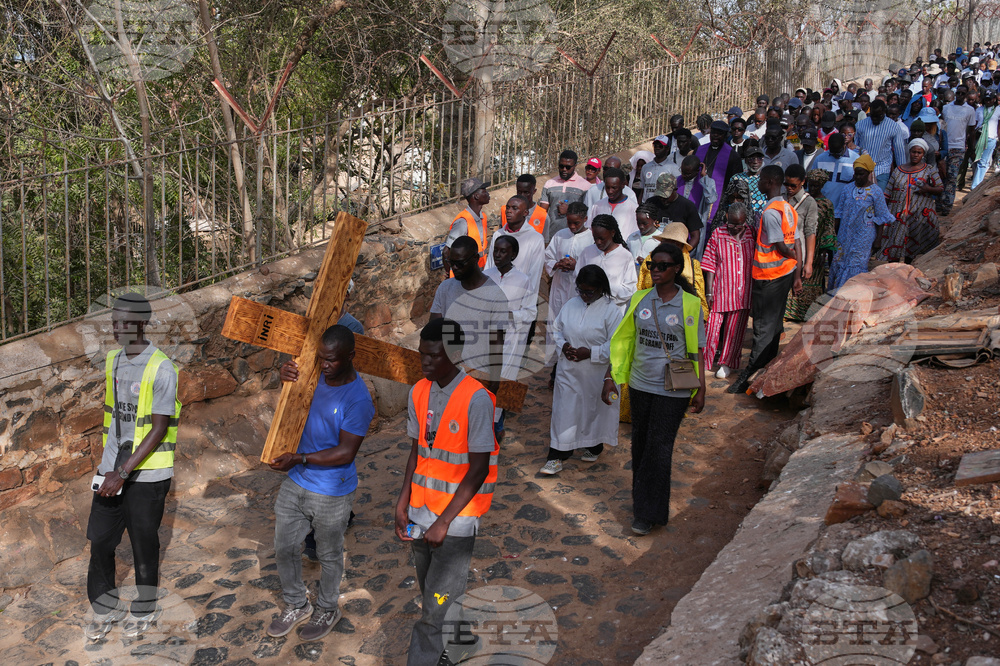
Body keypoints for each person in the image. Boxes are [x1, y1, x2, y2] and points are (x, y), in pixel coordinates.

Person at [395, 318, 499, 666]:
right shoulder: (418, 391)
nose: (425, 362)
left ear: (455, 355)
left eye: (434, 356)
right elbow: (417, 452)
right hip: (420, 513)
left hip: (455, 522)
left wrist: (444, 522)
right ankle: (462, 641)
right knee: (437, 595)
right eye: (422, 354)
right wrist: (402, 502)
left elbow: (478, 469)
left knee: (432, 612)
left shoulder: (476, 399)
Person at [266, 325, 375, 641]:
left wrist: (299, 458)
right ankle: (297, 604)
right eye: (321, 358)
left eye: (331, 360)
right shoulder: (314, 374)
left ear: (350, 356)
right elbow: (292, 399)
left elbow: (345, 452)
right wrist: (285, 377)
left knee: (328, 555)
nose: (324, 365)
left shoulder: (358, 399)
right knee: (284, 547)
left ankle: (328, 608)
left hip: (331, 489)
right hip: (297, 480)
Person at [86, 293, 180, 641]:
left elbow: (158, 428)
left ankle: (145, 608)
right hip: (111, 468)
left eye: (124, 322)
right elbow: (115, 417)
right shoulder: (113, 360)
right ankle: (104, 609)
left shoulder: (161, 368)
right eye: (113, 321)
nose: (116, 328)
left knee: (143, 545)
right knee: (100, 541)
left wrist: (123, 473)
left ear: (142, 323)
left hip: (147, 473)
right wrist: (109, 468)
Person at [606, 241, 705, 535]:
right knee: (640, 445)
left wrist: (701, 388)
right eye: (652, 265)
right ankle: (643, 504)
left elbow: (697, 349)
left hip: (674, 388)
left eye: (663, 266)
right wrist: (612, 375)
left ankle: (648, 513)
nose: (656, 270)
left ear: (677, 269)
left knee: (659, 449)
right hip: (640, 384)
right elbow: (626, 341)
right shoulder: (639, 299)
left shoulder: (690, 304)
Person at [541, 265, 623, 475]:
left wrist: (591, 353)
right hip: (568, 370)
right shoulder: (571, 304)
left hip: (596, 373)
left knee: (592, 411)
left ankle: (594, 445)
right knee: (564, 411)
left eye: (589, 292)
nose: (584, 296)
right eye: (581, 290)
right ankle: (557, 455)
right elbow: (557, 329)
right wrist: (564, 346)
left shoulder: (611, 311)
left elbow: (616, 344)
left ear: (601, 289)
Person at [727, 165, 800, 394]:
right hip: (784, 274)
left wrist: (792, 257)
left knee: (762, 328)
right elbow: (796, 240)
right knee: (774, 326)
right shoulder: (788, 208)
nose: (757, 183)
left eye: (761, 180)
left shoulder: (770, 213)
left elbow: (782, 246)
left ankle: (749, 376)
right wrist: (796, 267)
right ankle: (766, 371)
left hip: (769, 277)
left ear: (769, 182)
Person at [430, 236, 509, 387]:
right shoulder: (445, 288)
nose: (454, 268)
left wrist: (494, 382)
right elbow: (433, 331)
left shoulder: (495, 296)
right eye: (451, 262)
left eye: (460, 263)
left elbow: (497, 344)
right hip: (447, 374)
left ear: (475, 259)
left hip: (477, 377)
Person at [701, 203, 754, 378]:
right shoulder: (718, 234)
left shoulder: (752, 233)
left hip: (743, 292)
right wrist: (709, 292)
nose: (735, 228)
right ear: (726, 217)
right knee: (711, 328)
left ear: (745, 221)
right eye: (731, 223)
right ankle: (705, 361)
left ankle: (727, 363)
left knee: (735, 331)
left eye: (739, 224)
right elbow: (710, 264)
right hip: (720, 291)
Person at [828, 155, 896, 292]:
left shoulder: (876, 192)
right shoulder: (847, 189)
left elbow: (881, 217)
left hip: (864, 235)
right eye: (856, 174)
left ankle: (853, 293)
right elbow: (839, 212)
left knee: (856, 264)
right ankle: (836, 293)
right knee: (840, 260)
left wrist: (878, 240)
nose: (858, 177)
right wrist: (834, 233)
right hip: (844, 234)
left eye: (861, 174)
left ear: (869, 173)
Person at [878, 138, 944, 263]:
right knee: (895, 244)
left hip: (918, 215)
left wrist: (927, 188)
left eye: (919, 153)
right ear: (910, 152)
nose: (916, 155)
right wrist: (883, 213)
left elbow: (940, 188)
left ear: (923, 154)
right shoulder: (898, 171)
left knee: (913, 246)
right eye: (914, 152)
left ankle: (908, 269)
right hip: (898, 215)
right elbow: (887, 193)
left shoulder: (929, 170)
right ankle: (894, 270)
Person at [544, 202, 593, 369]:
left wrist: (576, 266)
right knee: (555, 322)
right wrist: (557, 264)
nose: (572, 226)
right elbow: (548, 256)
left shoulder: (591, 239)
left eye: (576, 223)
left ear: (585, 219)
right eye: (569, 222)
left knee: (573, 324)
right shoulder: (560, 235)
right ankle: (553, 361)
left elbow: (593, 265)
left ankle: (571, 357)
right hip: (559, 286)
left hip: (578, 291)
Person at [784, 169, 838, 321]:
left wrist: (824, 251)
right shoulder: (800, 200)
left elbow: (828, 227)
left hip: (817, 247)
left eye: (816, 186)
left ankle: (807, 313)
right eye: (811, 185)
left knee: (811, 278)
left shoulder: (826, 204)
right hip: (799, 244)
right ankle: (790, 312)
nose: (813, 188)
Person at [576, 214, 638, 308]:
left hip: (613, 308)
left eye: (602, 238)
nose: (598, 242)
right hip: (587, 306)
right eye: (595, 238)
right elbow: (577, 278)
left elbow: (630, 289)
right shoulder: (587, 252)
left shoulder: (625, 256)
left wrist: (604, 289)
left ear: (612, 233)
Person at [695, 119, 743, 236]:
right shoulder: (699, 150)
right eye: (713, 132)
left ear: (726, 135)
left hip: (719, 204)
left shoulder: (733, 156)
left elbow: (736, 185)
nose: (715, 136)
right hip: (697, 198)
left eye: (720, 133)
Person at [783, 163, 818, 314]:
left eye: (793, 185)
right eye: (786, 184)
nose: (789, 188)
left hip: (797, 254)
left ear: (803, 182)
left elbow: (810, 233)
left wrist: (808, 263)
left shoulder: (809, 203)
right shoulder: (780, 198)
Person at [539, 150, 592, 242]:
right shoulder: (549, 184)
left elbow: (588, 214)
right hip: (552, 238)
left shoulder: (585, 186)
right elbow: (542, 213)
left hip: (575, 239)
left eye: (568, 167)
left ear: (575, 166)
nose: (564, 169)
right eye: (561, 166)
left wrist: (569, 210)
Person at [939, 85, 977, 215]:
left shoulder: (970, 110)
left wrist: (972, 149)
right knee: (941, 175)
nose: (960, 95)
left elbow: (971, 131)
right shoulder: (946, 108)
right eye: (958, 93)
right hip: (944, 147)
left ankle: (947, 205)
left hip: (958, 148)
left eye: (963, 93)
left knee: (952, 176)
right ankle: (939, 202)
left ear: (966, 95)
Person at [856, 99, 909, 191]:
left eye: (878, 116)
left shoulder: (894, 127)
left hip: (882, 170)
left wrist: (902, 175)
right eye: (873, 115)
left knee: (879, 197)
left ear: (884, 112)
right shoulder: (860, 125)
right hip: (862, 170)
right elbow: (855, 148)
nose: (875, 118)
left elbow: (899, 152)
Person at [444, 178, 490, 274]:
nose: (488, 193)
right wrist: (449, 274)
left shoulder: (483, 217)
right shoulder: (462, 222)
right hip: (465, 276)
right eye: (484, 191)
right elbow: (446, 252)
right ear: (476, 196)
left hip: (479, 272)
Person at [646, 172, 703, 250]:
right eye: (660, 196)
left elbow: (695, 236)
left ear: (675, 190)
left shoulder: (687, 206)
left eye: (666, 196)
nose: (662, 199)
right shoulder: (651, 203)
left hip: (676, 250)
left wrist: (683, 253)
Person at [813, 133, 859, 222]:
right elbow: (813, 182)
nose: (835, 155)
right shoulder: (820, 159)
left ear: (844, 145)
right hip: (823, 209)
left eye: (838, 152)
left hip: (845, 211)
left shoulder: (855, 159)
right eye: (832, 152)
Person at [677, 155, 717, 257]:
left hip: (695, 227)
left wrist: (704, 177)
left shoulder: (706, 182)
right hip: (678, 226)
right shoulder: (677, 181)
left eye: (688, 173)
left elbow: (711, 198)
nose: (684, 175)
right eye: (682, 172)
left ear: (697, 171)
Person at [587, 167, 640, 239]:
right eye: (607, 187)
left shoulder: (633, 208)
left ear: (623, 185)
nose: (610, 191)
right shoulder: (598, 206)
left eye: (614, 188)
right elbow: (590, 229)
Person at [729, 143, 768, 227]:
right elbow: (730, 200)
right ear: (746, 160)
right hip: (741, 222)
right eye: (751, 158)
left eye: (759, 158)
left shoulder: (766, 178)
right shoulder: (736, 178)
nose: (755, 162)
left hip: (761, 222)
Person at [972, 89, 1000, 188]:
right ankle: (976, 182)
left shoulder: (998, 110)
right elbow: (975, 124)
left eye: (990, 99)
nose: (988, 101)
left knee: (983, 163)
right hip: (979, 138)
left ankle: (975, 186)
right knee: (975, 161)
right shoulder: (979, 110)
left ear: (994, 99)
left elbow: (999, 126)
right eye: (986, 99)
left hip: (991, 138)